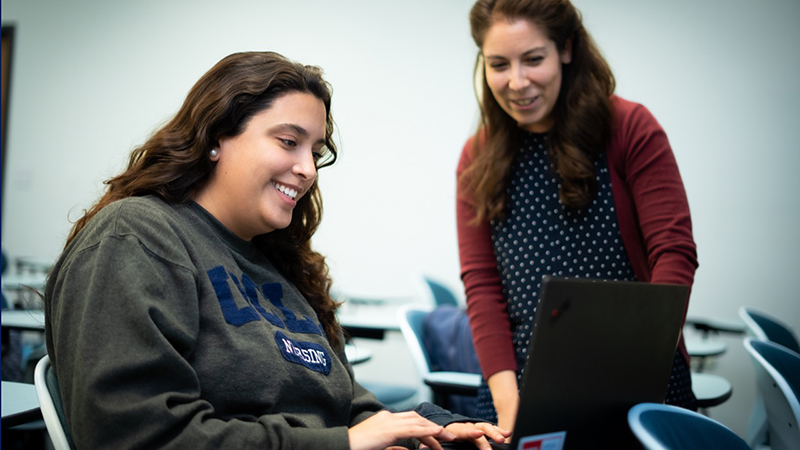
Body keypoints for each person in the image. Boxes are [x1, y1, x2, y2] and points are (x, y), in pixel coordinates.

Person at [45, 51, 509, 450]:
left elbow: (348, 405)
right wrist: (342, 444)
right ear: (214, 138)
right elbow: (136, 436)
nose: (307, 169)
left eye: (316, 151)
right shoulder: (136, 236)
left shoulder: (281, 265)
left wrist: (431, 430)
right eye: (288, 142)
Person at [456, 0, 699, 430]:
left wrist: (639, 373)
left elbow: (673, 253)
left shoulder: (629, 127)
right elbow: (483, 287)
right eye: (498, 64)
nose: (517, 82)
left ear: (566, 48)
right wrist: (513, 410)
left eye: (533, 59)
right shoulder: (478, 156)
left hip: (640, 382)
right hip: (517, 388)